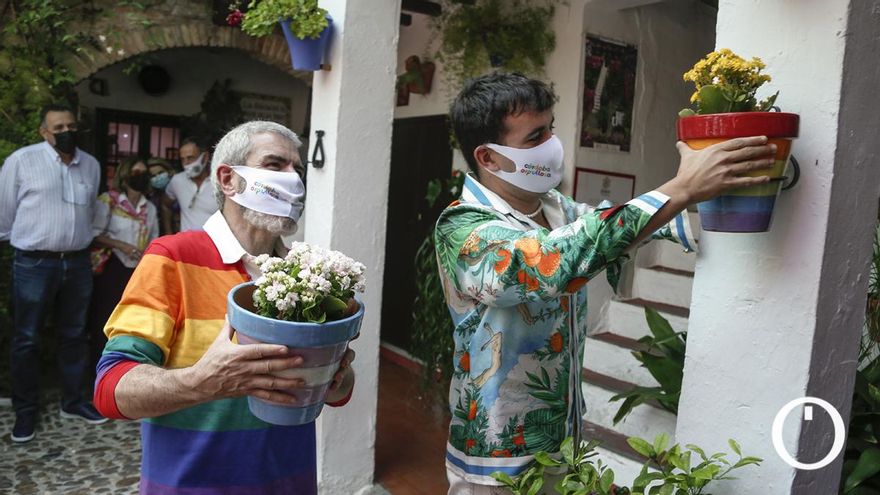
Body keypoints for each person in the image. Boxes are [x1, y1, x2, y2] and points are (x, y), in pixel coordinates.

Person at [435, 73, 777, 493]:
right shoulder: (462, 228)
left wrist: (730, 198)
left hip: (563, 441)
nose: (551, 144)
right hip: (496, 459)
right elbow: (549, 262)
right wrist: (680, 188)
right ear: (488, 158)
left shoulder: (557, 208)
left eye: (551, 128)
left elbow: (612, 230)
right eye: (535, 135)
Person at [93, 121, 356, 494]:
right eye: (275, 165)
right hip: (193, 485)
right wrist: (200, 383)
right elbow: (111, 388)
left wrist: (336, 375)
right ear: (228, 179)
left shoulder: (309, 274)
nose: (293, 180)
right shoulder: (172, 258)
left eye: (297, 169)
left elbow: (339, 391)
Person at [0, 103, 108, 444]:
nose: (66, 133)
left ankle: (73, 402)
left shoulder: (89, 165)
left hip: (77, 263)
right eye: (58, 128)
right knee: (27, 338)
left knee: (75, 335)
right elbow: (4, 213)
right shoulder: (22, 160)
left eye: (70, 126)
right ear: (44, 132)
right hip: (33, 262)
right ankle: (26, 411)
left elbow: (92, 212)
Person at [86, 157, 159, 389]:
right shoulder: (109, 201)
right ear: (125, 175)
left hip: (137, 271)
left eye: (144, 172)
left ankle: (124, 375)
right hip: (112, 268)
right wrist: (122, 245)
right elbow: (94, 234)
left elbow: (154, 240)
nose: (141, 176)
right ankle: (97, 377)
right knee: (104, 320)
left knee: (131, 323)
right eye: (136, 171)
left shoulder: (150, 207)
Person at [163, 137, 218, 233]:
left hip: (214, 246)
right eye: (182, 159)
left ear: (205, 157)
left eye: (190, 158)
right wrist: (169, 234)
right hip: (186, 245)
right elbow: (165, 205)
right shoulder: (177, 181)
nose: (186, 163)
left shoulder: (221, 182)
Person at [146, 157, 178, 235]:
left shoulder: (181, 191)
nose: (158, 177)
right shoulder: (151, 199)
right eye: (153, 176)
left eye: (160, 173)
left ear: (169, 171)